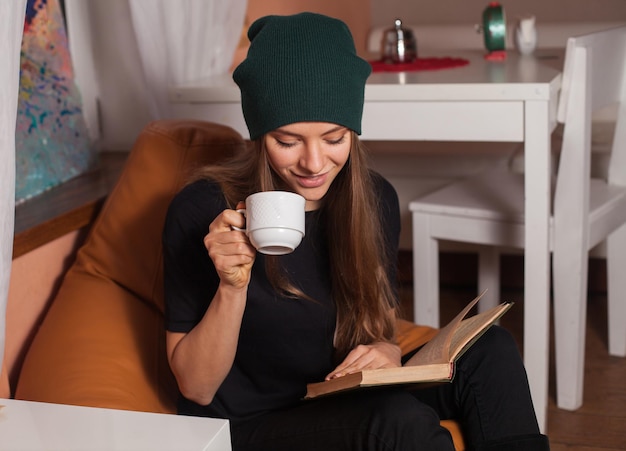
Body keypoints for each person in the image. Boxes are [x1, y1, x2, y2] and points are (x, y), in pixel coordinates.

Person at [162, 12, 550, 451]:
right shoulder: (202, 210)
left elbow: (376, 326)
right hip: (247, 424)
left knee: (491, 350)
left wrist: (386, 350)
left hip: (337, 396)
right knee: (397, 421)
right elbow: (196, 389)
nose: (313, 163)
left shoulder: (374, 199)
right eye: (287, 142)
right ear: (259, 134)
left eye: (334, 138)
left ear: (354, 131)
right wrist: (232, 288)